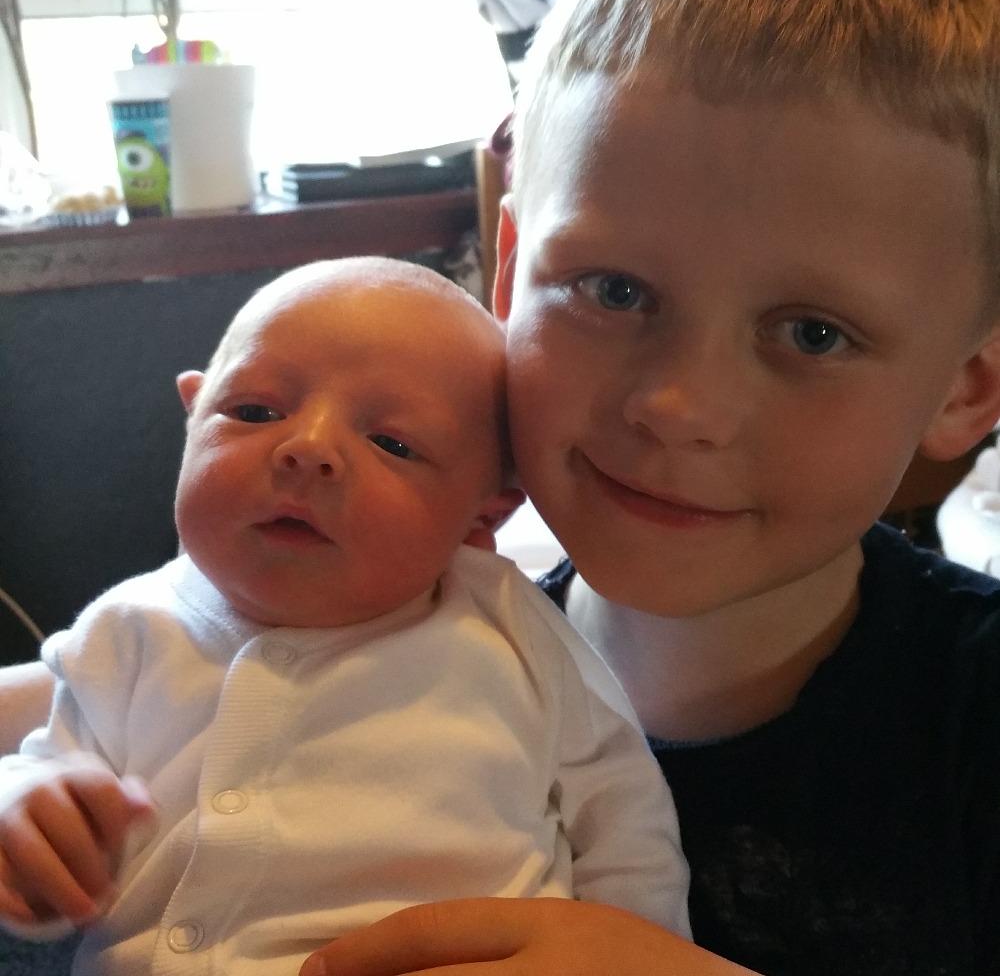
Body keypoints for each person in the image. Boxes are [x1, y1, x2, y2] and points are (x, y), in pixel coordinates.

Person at [7, 0, 1000, 972]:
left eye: (814, 333)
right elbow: (97, 689)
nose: (677, 406)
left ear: (969, 386)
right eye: (614, 290)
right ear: (512, 270)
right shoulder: (397, 600)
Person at [0, 257, 692, 975]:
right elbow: (45, 770)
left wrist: (639, 947)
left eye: (392, 444)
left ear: (481, 518)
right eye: (255, 412)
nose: (308, 449)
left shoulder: (508, 630)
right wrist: (24, 813)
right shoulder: (121, 633)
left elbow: (622, 814)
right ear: (193, 417)